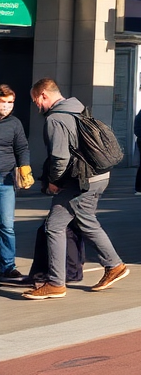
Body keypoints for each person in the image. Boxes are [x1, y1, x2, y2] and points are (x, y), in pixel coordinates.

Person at [24, 78, 129, 299]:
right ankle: (114, 265)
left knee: (54, 226)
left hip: (79, 180)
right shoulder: (79, 109)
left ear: (44, 95)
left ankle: (55, 283)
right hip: (100, 175)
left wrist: (54, 181)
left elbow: (60, 157)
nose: (37, 107)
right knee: (87, 221)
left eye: (36, 101)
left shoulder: (56, 118)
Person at [1, 84, 33, 281]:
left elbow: (22, 148)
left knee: (6, 225)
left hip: (5, 181)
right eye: (3, 102)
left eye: (10, 102)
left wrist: (25, 167)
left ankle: (8, 266)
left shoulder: (15, 123)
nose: (7, 106)